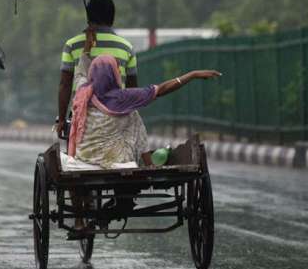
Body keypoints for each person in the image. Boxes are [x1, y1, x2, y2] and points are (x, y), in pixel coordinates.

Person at [66, 29, 220, 233]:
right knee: (133, 116)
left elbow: (80, 70)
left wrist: (87, 47)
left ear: (93, 75)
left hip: (84, 158)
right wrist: (191, 75)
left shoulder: (82, 91)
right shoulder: (125, 97)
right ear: (114, 74)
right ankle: (146, 164)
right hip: (117, 161)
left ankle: (80, 220)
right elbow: (162, 89)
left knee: (131, 117)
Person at [57, 0, 137, 138]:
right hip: (116, 118)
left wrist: (61, 120)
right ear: (112, 18)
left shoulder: (72, 45)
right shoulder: (126, 47)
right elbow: (132, 88)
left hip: (82, 119)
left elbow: (65, 84)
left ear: (88, 17)